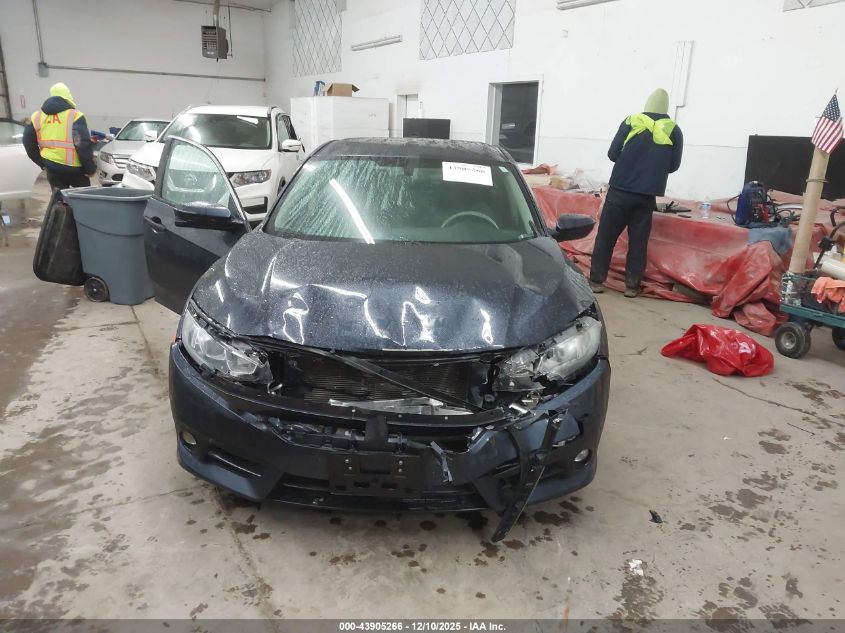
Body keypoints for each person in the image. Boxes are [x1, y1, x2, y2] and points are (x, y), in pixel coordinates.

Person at [589, 88, 683, 298]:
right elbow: (673, 165)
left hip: (620, 191)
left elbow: (612, 154)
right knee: (638, 242)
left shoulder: (632, 121)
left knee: (606, 237)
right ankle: (631, 286)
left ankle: (596, 281)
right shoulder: (674, 130)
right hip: (646, 196)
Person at [23, 83, 96, 190]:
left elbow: (28, 142)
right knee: (83, 197)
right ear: (68, 96)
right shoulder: (75, 115)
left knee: (58, 197)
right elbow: (82, 145)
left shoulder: (37, 116)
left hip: (52, 167)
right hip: (75, 170)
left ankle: (59, 201)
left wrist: (41, 162)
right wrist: (90, 169)